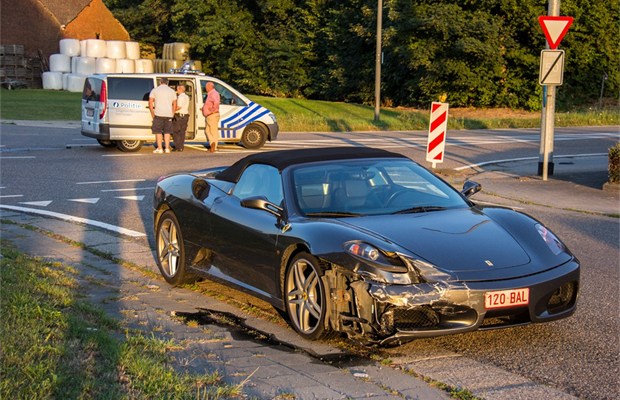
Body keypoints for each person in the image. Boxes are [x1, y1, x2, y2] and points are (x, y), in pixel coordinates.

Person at [149, 77, 177, 154]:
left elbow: (150, 102)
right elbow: (174, 103)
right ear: (167, 83)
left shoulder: (155, 90)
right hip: (168, 114)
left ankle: (160, 148)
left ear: (160, 82)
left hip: (158, 114)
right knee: (167, 132)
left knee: (158, 132)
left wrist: (152, 112)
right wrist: (173, 113)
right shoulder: (172, 91)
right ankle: (167, 148)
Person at [202, 81, 220, 153]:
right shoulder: (210, 94)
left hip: (212, 115)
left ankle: (214, 146)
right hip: (209, 115)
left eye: (206, 87)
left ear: (209, 87)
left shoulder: (214, 93)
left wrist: (212, 110)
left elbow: (216, 103)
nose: (205, 88)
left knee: (213, 130)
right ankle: (212, 143)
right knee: (207, 130)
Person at [172, 84, 190, 152]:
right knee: (182, 132)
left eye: (177, 89)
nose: (176, 91)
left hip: (179, 116)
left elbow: (178, 107)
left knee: (176, 132)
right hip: (185, 115)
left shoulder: (180, 97)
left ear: (180, 89)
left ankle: (177, 146)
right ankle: (181, 146)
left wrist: (172, 110)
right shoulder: (186, 97)